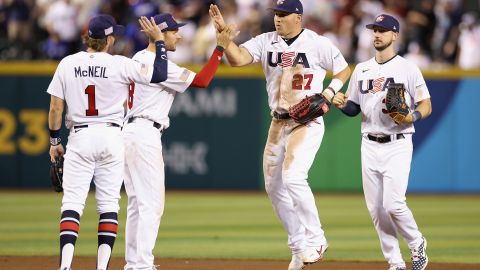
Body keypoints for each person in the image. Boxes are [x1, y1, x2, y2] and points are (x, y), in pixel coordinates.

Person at [209, 1, 351, 270]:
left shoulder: (317, 43)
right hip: (278, 122)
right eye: (276, 14)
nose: (277, 19)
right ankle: (298, 246)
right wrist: (224, 38)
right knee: (274, 188)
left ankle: (317, 238)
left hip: (306, 121)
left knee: (294, 177)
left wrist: (330, 92)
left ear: (298, 17)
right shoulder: (266, 41)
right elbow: (237, 59)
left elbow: (343, 69)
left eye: (283, 14)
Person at [47, 14, 168, 270]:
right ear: (109, 40)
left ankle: (65, 266)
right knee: (108, 206)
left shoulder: (68, 63)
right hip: (112, 137)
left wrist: (55, 141)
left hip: (79, 136)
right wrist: (159, 43)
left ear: (88, 38)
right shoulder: (119, 65)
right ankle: (101, 268)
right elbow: (159, 74)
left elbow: (56, 108)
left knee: (71, 204)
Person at [122, 13, 234, 270]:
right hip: (144, 133)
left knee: (137, 205)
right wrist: (219, 48)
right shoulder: (159, 64)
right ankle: (141, 265)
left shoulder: (137, 58)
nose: (180, 35)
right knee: (151, 205)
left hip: (129, 132)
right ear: (160, 34)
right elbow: (203, 80)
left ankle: (133, 263)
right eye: (174, 31)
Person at [332, 14, 431, 270]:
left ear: (395, 35)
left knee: (393, 204)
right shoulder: (362, 69)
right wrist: (343, 104)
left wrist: (413, 115)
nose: (377, 34)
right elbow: (354, 108)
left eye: (383, 30)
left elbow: (426, 103)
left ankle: (416, 241)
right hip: (369, 143)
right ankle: (395, 262)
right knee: (376, 210)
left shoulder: (407, 68)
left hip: (398, 143)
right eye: (374, 30)